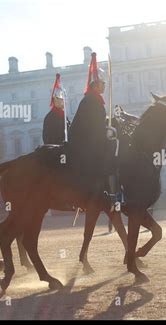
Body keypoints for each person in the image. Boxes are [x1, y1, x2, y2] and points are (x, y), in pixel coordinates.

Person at [68, 52, 122, 210]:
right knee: (111, 154)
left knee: (112, 145)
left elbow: (96, 124)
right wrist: (106, 131)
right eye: (102, 83)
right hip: (83, 144)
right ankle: (111, 196)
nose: (104, 86)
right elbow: (91, 128)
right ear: (96, 84)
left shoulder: (94, 100)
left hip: (88, 140)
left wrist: (110, 125)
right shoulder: (91, 101)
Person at [43, 73, 68, 145]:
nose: (64, 102)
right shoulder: (50, 118)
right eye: (61, 99)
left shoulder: (64, 116)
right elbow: (49, 141)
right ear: (55, 100)